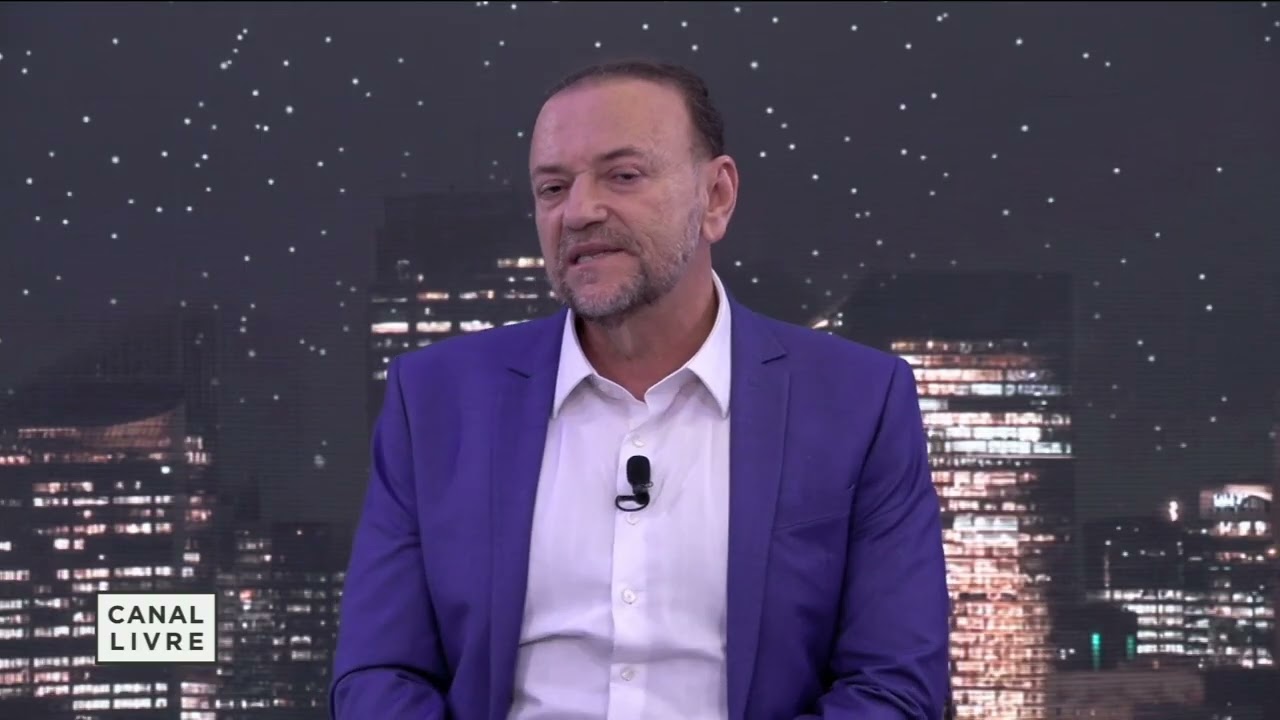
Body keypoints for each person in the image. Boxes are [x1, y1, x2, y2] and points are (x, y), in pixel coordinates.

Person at [330, 59, 950, 720]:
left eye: (623, 175)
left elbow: (894, 686)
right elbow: (378, 676)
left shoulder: (859, 401)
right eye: (552, 188)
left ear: (716, 197)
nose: (579, 212)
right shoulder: (435, 400)